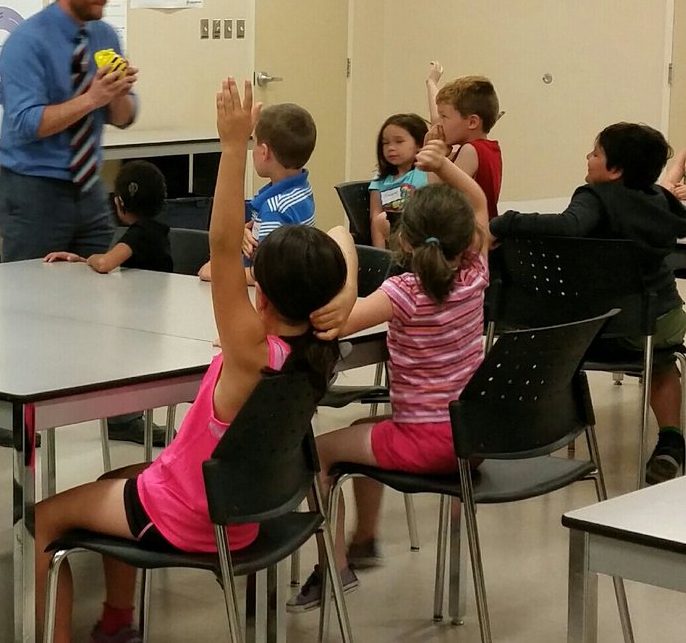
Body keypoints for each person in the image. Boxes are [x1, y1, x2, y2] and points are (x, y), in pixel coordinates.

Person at [34, 77, 356, 643]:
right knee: (116, 477)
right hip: (249, 510)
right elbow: (343, 236)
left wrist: (232, 147)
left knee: (43, 521)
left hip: (190, 515)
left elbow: (224, 244)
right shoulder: (323, 344)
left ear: (264, 291)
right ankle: (116, 623)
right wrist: (347, 293)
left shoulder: (249, 351)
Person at [286, 136, 491, 611]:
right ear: (469, 241)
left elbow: (333, 322)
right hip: (475, 435)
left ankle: (333, 568)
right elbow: (478, 200)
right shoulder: (477, 271)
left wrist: (350, 262)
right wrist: (446, 166)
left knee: (318, 454)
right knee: (362, 430)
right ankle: (364, 539)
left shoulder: (403, 291)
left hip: (425, 441)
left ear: (403, 239)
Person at [0, 0, 155, 447]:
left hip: (87, 189)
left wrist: (119, 96)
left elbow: (122, 118)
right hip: (33, 192)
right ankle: (7, 421)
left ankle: (122, 417)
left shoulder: (104, 36)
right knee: (27, 312)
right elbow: (24, 124)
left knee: (109, 302)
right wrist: (92, 98)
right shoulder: (27, 43)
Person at [490, 123, 686, 484]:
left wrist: (507, 222)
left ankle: (544, 429)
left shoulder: (594, 196)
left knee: (567, 337)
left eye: (595, 152)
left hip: (596, 331)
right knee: (661, 359)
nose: (588, 157)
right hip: (658, 323)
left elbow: (569, 226)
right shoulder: (661, 200)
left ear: (613, 170)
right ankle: (671, 441)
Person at [197, 101, 318, 283]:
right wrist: (246, 233)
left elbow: (267, 275)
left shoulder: (275, 209)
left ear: (264, 152)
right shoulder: (301, 190)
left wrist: (220, 273)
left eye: (253, 141)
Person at [43, 160, 173, 273]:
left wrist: (91, 258)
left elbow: (104, 264)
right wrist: (80, 260)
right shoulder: (156, 230)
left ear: (119, 202)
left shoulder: (139, 233)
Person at [425, 62, 503, 217]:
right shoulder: (490, 148)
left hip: (470, 236)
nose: (438, 124)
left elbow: (436, 200)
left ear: (472, 122)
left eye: (444, 117)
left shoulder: (470, 151)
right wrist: (431, 83)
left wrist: (433, 153)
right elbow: (437, 117)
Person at [369, 113, 435, 248]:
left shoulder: (425, 172)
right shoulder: (379, 179)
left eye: (399, 142)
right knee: (380, 219)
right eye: (385, 143)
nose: (390, 148)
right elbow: (375, 216)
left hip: (420, 232)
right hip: (391, 234)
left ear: (419, 144)